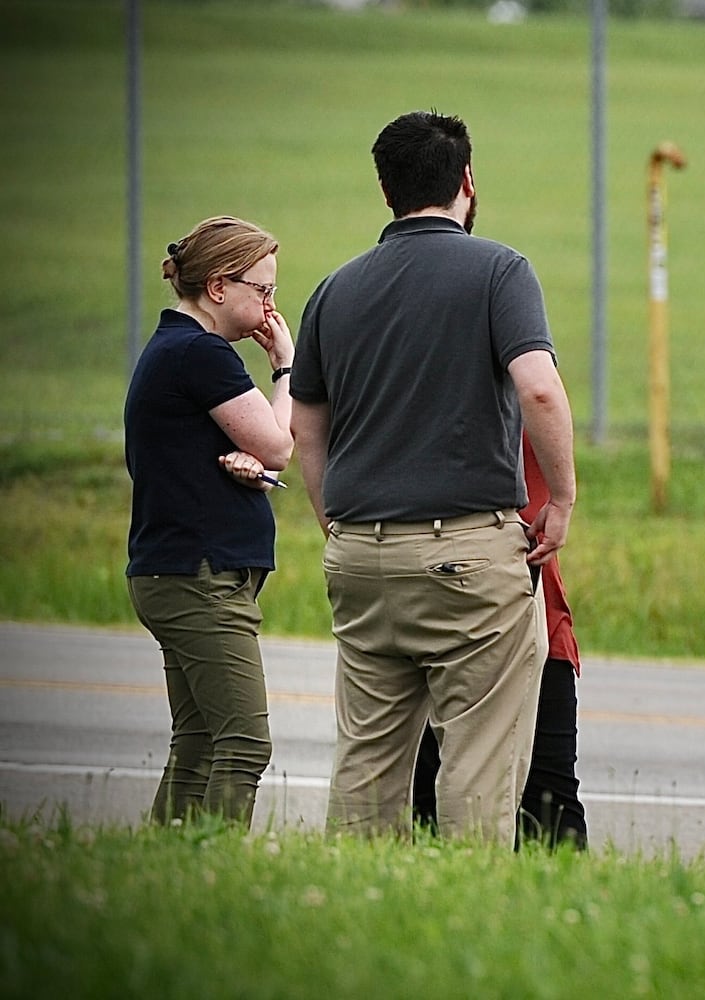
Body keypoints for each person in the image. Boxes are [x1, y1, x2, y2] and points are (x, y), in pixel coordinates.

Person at [290, 110, 576, 848]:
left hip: (358, 552)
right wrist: (564, 499)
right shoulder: (498, 270)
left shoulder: (333, 290)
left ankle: (351, 911)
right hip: (465, 552)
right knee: (478, 762)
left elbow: (305, 430)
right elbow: (539, 389)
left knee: (367, 761)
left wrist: (336, 524)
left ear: (385, 190)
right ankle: (464, 915)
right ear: (467, 183)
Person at [124, 215, 295, 828]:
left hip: (175, 570)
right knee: (246, 743)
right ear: (219, 288)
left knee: (197, 743)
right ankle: (215, 870)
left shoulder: (172, 348)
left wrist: (241, 471)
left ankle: (169, 865)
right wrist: (285, 366)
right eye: (264, 290)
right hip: (198, 577)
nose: (271, 306)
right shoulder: (201, 353)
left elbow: (217, 457)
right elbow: (279, 446)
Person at [412, 433, 588, 850]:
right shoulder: (520, 369)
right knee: (545, 806)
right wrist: (564, 499)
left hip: (426, 588)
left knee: (423, 792)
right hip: (494, 583)